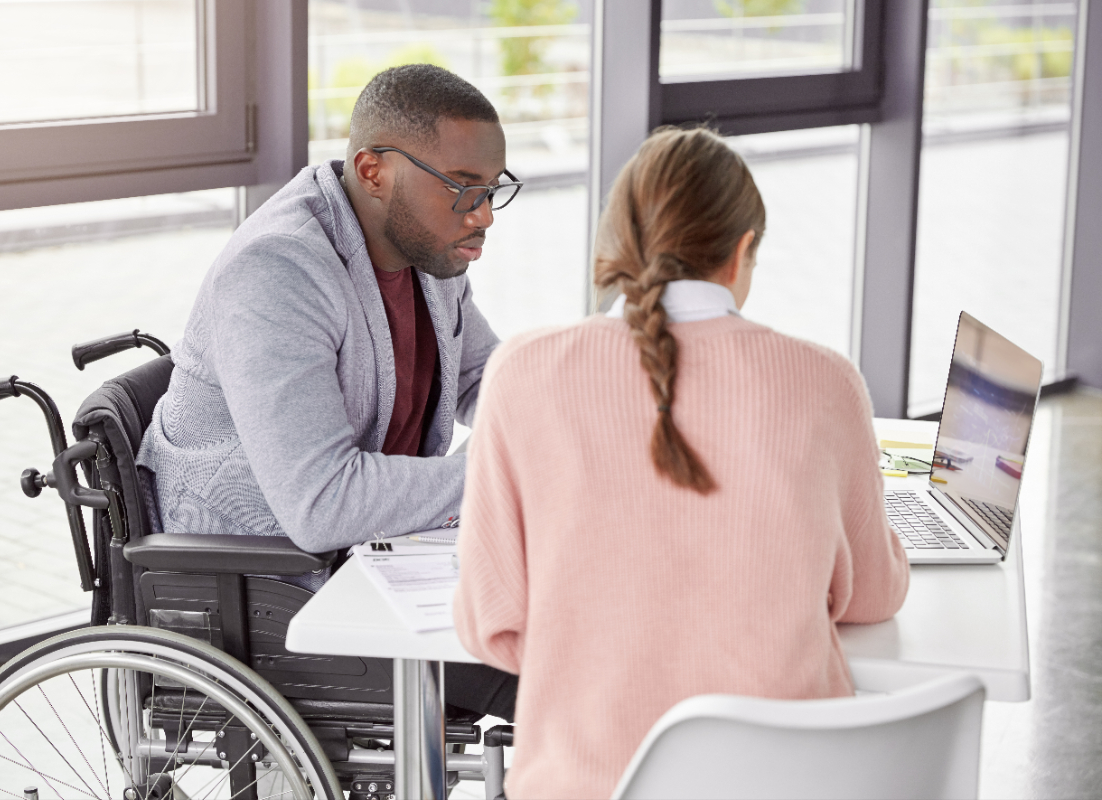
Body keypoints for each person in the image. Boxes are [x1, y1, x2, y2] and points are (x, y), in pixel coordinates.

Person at [453, 126, 910, 799]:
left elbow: (490, 622)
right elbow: (871, 597)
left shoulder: (521, 372)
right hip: (788, 784)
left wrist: (603, 651)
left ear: (617, 244)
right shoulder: (825, 380)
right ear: (742, 250)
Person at [138, 64, 518, 720]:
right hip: (270, 594)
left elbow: (486, 378)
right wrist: (508, 471)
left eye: (492, 189)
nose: (482, 215)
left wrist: (567, 416)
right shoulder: (276, 272)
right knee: (562, 661)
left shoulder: (429, 249)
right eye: (461, 188)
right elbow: (323, 503)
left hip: (374, 561)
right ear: (373, 171)